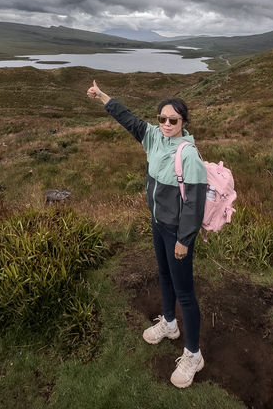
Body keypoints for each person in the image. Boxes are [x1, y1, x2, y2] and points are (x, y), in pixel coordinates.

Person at [87, 80, 207, 389]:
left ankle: (193, 354)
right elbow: (128, 119)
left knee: (185, 293)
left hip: (177, 233)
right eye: (162, 119)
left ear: (183, 122)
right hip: (158, 224)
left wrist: (184, 239)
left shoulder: (189, 155)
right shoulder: (153, 138)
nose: (166, 124)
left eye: (173, 120)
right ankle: (169, 324)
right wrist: (102, 96)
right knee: (164, 277)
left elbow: (194, 204)